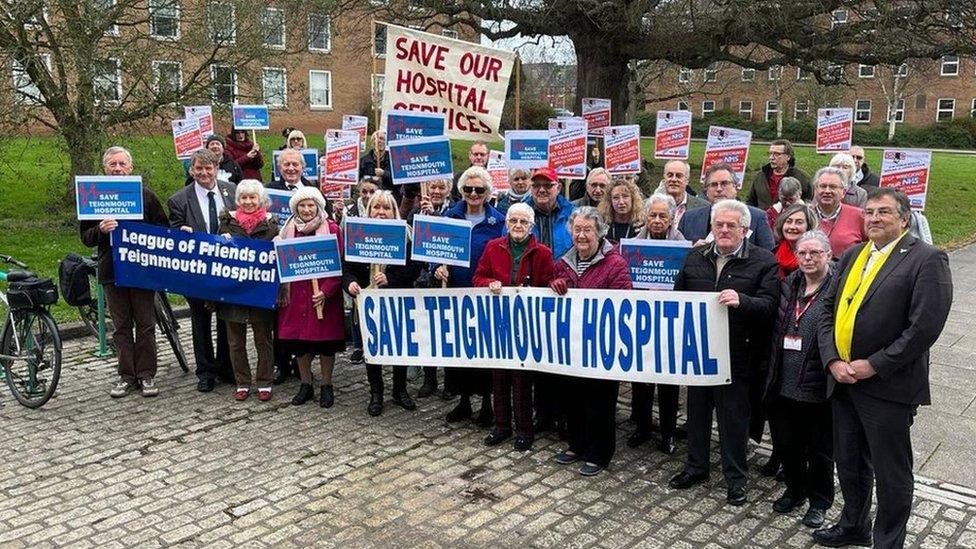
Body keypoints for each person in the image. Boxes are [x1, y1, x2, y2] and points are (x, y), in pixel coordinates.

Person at [814, 188, 953, 548]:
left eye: (884, 212)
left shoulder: (927, 259)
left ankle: (887, 541)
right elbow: (826, 311)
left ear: (904, 219)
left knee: (891, 473)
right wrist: (832, 360)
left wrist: (873, 365)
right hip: (843, 380)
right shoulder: (854, 255)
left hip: (887, 386)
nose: (874, 218)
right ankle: (853, 525)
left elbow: (924, 328)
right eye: (870, 212)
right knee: (849, 463)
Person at [669, 199, 779, 506]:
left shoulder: (763, 261)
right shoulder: (694, 257)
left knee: (734, 421)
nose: (724, 230)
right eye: (719, 224)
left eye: (732, 225)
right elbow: (678, 301)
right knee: (697, 414)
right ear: (711, 227)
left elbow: (770, 306)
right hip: (700, 354)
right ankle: (696, 467)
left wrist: (743, 300)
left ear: (745, 229)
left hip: (738, 356)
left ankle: (736, 479)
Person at [550, 207, 633, 476]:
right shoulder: (563, 261)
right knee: (572, 396)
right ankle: (576, 444)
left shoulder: (615, 263)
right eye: (577, 229)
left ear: (599, 233)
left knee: (599, 401)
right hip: (572, 344)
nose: (582, 235)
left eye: (588, 230)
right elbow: (552, 283)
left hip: (602, 345)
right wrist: (556, 282)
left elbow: (623, 299)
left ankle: (599, 453)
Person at [80, 146, 169, 398]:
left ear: (130, 167)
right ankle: (126, 376)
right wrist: (100, 229)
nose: (117, 168)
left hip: (141, 270)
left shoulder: (146, 196)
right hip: (111, 270)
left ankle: (146, 375)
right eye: (112, 165)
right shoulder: (94, 197)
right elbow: (85, 237)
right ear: (105, 169)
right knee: (120, 326)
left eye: (122, 164)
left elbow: (162, 229)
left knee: (145, 324)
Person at [763, 229, 836, 529]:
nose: (807, 258)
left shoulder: (837, 288)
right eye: (802, 253)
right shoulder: (788, 284)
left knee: (819, 450)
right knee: (786, 443)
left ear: (828, 256)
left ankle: (819, 501)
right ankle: (795, 490)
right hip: (782, 381)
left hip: (817, 384)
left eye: (815, 253)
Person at [473, 203, 554, 452]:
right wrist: (489, 283)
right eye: (513, 221)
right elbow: (478, 277)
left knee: (522, 379)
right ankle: (501, 425)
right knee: (499, 377)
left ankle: (524, 429)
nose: (517, 226)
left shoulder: (543, 253)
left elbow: (548, 281)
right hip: (499, 321)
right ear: (506, 224)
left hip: (526, 323)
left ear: (531, 227)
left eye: (523, 222)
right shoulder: (492, 247)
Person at [434, 166, 506, 426]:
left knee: (486, 350)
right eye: (468, 189)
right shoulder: (450, 217)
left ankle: (487, 404)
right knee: (459, 350)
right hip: (456, 293)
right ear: (461, 191)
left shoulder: (499, 222)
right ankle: (463, 400)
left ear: (487, 192)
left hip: (487, 295)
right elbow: (435, 250)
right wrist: (437, 267)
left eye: (479, 189)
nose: (473, 194)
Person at [343, 190, 421, 416]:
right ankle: (376, 393)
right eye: (376, 207)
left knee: (400, 347)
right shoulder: (358, 235)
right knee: (372, 347)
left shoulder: (405, 234)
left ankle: (399, 390)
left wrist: (391, 278)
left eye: (386, 208)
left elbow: (414, 268)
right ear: (369, 210)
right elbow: (347, 269)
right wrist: (350, 284)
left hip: (397, 300)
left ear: (394, 210)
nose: (381, 212)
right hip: (368, 302)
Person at [168, 149, 236, 392]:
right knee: (200, 320)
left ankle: (227, 367)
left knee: (227, 318)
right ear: (191, 170)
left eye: (209, 168)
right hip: (196, 271)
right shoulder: (179, 200)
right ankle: (206, 371)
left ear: (217, 169)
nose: (204, 173)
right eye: (199, 168)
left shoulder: (232, 192)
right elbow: (173, 236)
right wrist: (181, 234)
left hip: (227, 269)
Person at [277, 187, 346, 408]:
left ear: (318, 207)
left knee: (326, 344)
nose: (307, 210)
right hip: (296, 295)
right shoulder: (287, 230)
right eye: (302, 205)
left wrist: (326, 291)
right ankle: (305, 384)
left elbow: (339, 265)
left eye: (311, 205)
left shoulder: (332, 229)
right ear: (295, 207)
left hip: (323, 295)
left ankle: (326, 385)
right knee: (300, 344)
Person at [626, 193, 684, 454]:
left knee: (668, 383)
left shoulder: (683, 246)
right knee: (640, 380)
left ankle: (668, 432)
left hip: (670, 323)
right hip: (640, 321)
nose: (657, 220)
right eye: (653, 215)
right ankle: (642, 426)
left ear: (672, 218)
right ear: (645, 217)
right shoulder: (633, 245)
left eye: (663, 216)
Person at [216, 180, 279, 401]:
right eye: (244, 197)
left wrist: (279, 243)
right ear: (238, 200)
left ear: (261, 200)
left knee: (263, 340)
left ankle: (264, 382)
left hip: (260, 292)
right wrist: (219, 242)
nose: (248, 201)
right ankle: (242, 382)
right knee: (235, 341)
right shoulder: (227, 222)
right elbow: (214, 255)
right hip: (233, 292)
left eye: (253, 197)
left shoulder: (272, 224)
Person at [524, 167, 575, 434]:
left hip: (564, 291)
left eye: (548, 185)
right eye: (537, 185)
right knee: (537, 357)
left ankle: (565, 414)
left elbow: (580, 246)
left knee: (564, 356)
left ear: (558, 187)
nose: (542, 190)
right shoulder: (522, 212)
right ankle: (541, 412)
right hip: (533, 292)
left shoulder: (571, 213)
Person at [677, 162, 775, 250]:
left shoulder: (757, 217)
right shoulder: (689, 218)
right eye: (714, 184)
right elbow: (676, 257)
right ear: (706, 191)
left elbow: (769, 256)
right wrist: (691, 252)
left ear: (735, 187)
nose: (719, 189)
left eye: (724, 183)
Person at [811, 167, 866, 259]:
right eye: (823, 186)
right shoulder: (804, 215)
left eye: (833, 187)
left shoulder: (859, 216)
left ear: (843, 192)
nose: (827, 191)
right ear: (815, 190)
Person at [747, 139, 812, 210]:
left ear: (788, 157)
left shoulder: (802, 178)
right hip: (763, 219)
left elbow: (809, 203)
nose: (771, 157)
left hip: (789, 219)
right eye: (770, 154)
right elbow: (750, 201)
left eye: (777, 154)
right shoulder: (760, 176)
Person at [772, 203, 817, 279]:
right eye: (788, 222)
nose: (792, 227)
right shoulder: (774, 253)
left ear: (808, 226)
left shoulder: (817, 256)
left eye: (799, 222)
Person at [659, 160, 708, 226]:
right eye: (670, 175)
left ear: (687, 180)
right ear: (664, 178)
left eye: (679, 176)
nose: (673, 179)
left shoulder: (704, 207)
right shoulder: (648, 206)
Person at [598, 176, 644, 242]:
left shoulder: (641, 225)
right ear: (610, 201)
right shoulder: (602, 224)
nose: (621, 202)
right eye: (616, 198)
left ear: (633, 199)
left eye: (625, 196)